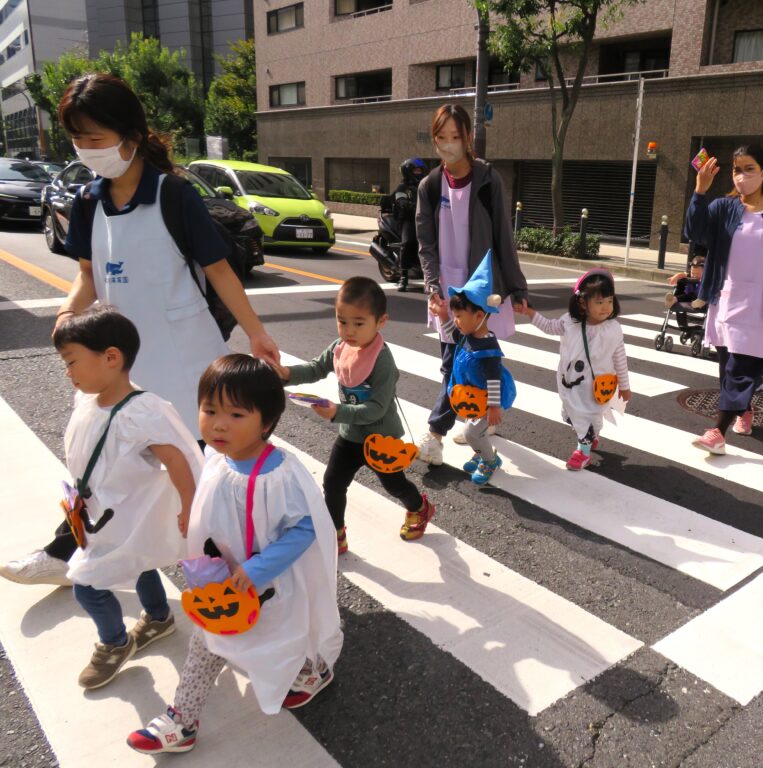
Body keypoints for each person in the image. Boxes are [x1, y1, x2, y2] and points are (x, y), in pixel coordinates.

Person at [0, 73, 281, 587]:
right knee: (100, 471)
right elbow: (87, 275)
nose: (86, 149)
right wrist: (66, 315)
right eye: (78, 139)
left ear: (129, 135)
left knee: (204, 478)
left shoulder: (173, 194)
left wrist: (257, 335)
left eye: (95, 138)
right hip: (119, 364)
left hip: (185, 362)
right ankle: (67, 554)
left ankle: (239, 578)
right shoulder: (87, 201)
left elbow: (219, 270)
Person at [127, 355, 343, 755]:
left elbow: (308, 525)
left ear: (266, 422)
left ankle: (313, 671)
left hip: (271, 584)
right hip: (223, 584)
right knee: (209, 641)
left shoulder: (278, 474)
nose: (218, 423)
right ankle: (182, 721)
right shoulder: (217, 459)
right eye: (209, 410)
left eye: (236, 413)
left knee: (280, 637)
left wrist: (260, 566)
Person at [54, 307, 203, 690]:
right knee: (141, 563)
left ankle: (114, 643)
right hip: (102, 516)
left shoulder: (142, 411)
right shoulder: (89, 401)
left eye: (72, 361)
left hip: (128, 514)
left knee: (87, 585)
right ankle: (158, 617)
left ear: (111, 357)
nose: (67, 371)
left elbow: (178, 459)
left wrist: (189, 506)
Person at [272, 277, 436, 553]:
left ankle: (420, 508)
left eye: (359, 323)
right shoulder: (341, 346)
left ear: (380, 321)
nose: (349, 330)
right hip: (350, 436)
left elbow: (376, 409)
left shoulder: (382, 360)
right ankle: (336, 534)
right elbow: (316, 368)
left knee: (395, 485)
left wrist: (337, 411)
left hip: (380, 439)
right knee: (333, 484)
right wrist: (286, 374)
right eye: (342, 321)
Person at [414, 103, 528, 467]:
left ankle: (435, 435)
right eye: (441, 137)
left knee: (461, 365)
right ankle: (480, 419)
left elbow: (502, 236)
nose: (448, 144)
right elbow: (425, 244)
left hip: (479, 289)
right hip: (448, 290)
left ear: (468, 139)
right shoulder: (430, 186)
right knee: (460, 364)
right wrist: (433, 288)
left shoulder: (487, 179)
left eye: (456, 137)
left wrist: (516, 286)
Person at [684, 144, 763, 456]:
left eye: (749, 169)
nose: (742, 176)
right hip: (726, 300)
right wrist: (700, 193)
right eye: (737, 170)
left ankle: (717, 431)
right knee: (728, 366)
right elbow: (695, 233)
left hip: (762, 305)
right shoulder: (722, 207)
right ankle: (744, 408)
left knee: (741, 370)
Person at [515, 268, 631, 470]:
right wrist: (530, 313)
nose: (606, 307)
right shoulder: (570, 322)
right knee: (570, 414)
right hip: (572, 382)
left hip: (597, 384)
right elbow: (550, 327)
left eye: (609, 301)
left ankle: (583, 450)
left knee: (583, 416)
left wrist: (624, 385)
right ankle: (590, 433)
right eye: (599, 302)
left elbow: (619, 356)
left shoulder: (613, 328)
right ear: (583, 303)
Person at [428, 253, 516, 486]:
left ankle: (490, 460)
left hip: (487, 400)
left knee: (471, 432)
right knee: (473, 429)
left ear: (479, 316)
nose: (456, 321)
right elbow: (452, 333)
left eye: (459, 316)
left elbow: (494, 378)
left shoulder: (487, 347)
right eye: (455, 316)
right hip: (473, 397)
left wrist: (494, 406)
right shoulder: (468, 335)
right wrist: (444, 314)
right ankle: (481, 453)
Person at [391, 157, 428, 292]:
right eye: (416, 170)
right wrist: (403, 202)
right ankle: (403, 276)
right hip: (409, 220)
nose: (418, 172)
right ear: (408, 172)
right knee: (407, 243)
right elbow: (399, 198)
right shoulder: (403, 187)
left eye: (420, 170)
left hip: (425, 220)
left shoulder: (425, 185)